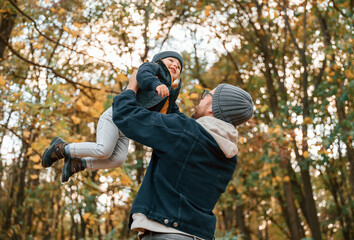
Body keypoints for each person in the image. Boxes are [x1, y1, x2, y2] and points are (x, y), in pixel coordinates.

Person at [112, 71, 254, 240]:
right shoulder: (229, 157)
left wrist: (132, 85)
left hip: (165, 233)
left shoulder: (185, 132)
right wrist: (168, 90)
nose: (201, 99)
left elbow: (125, 115)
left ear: (211, 108)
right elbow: (179, 126)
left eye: (207, 95)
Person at [41, 51, 184, 182]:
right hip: (114, 116)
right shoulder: (153, 68)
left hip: (127, 128)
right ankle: (60, 149)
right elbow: (143, 75)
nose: (174, 66)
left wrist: (189, 125)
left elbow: (174, 113)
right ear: (159, 60)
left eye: (178, 67)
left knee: (118, 160)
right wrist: (155, 84)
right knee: (103, 150)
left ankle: (79, 163)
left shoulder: (168, 93)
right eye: (171, 60)